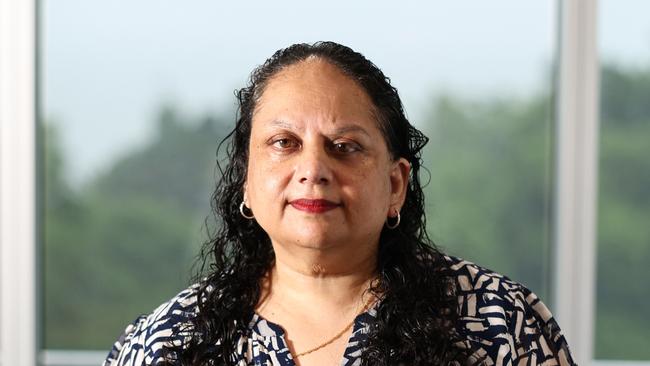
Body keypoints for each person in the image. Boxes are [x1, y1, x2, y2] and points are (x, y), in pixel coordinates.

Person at [103, 41, 575, 366]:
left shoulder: (499, 323)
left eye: (345, 146)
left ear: (396, 184)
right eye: (284, 142)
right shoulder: (167, 342)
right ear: (246, 182)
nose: (313, 169)